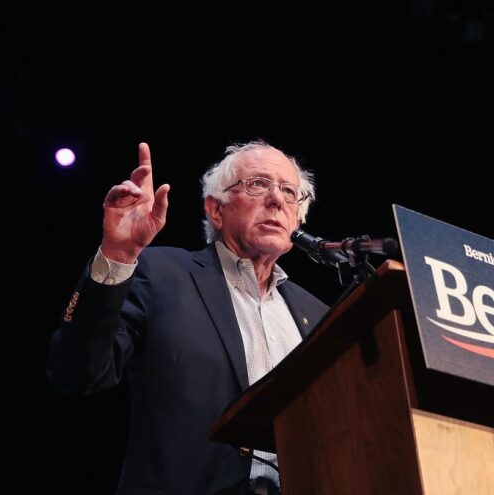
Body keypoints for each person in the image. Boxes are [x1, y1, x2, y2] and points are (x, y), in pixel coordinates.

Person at [46, 140, 329, 495]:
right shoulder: (161, 274)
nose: (276, 199)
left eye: (290, 192)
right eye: (258, 184)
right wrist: (117, 255)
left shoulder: (319, 316)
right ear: (215, 209)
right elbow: (76, 373)